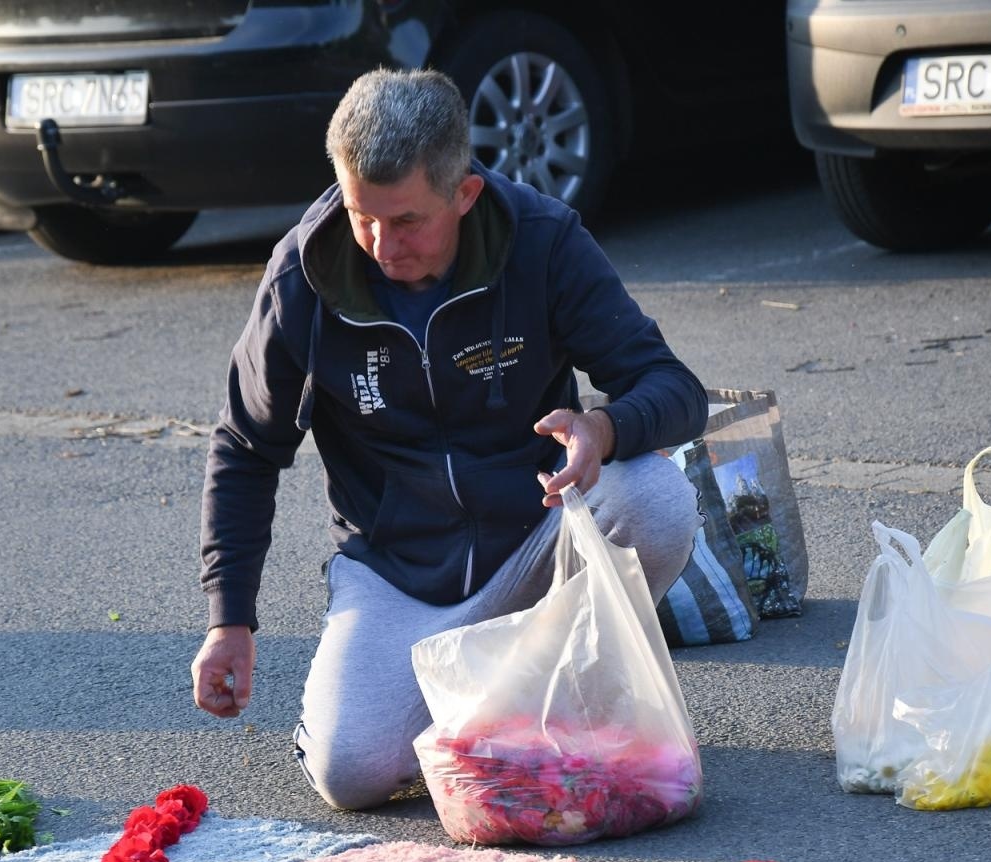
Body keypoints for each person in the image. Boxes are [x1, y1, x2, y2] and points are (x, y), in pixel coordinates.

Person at [191, 67, 708, 810]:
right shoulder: (302, 278)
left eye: (406, 222)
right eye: (362, 215)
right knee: (351, 773)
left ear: (464, 193)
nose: (379, 246)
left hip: (536, 545)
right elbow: (245, 449)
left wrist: (603, 426)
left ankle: (551, 685)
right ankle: (508, 705)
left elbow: (674, 388)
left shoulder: (541, 239)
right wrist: (229, 620)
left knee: (656, 497)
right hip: (399, 573)